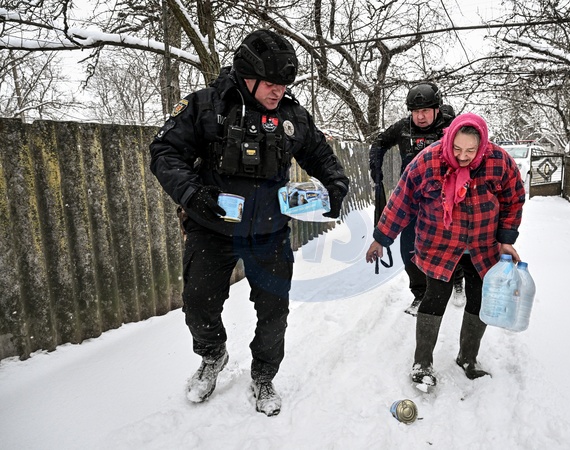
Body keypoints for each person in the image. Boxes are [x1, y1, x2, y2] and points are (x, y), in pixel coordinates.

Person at [149, 29, 349, 416]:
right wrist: (192, 194)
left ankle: (264, 375)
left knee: (274, 312)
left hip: (269, 233)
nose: (278, 91)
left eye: (284, 84)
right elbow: (164, 151)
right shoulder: (206, 106)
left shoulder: (292, 116)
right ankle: (213, 355)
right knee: (198, 304)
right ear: (247, 74)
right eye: (271, 83)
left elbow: (322, 157)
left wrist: (336, 184)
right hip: (212, 228)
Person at [365, 113, 525, 386]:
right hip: (439, 243)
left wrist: (506, 239)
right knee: (435, 297)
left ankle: (468, 358)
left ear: (482, 145)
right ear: (449, 140)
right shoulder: (428, 161)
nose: (462, 156)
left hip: (482, 246)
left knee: (479, 299)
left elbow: (514, 199)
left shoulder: (499, 161)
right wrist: (381, 238)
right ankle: (422, 363)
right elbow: (402, 200)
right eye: (457, 148)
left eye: (471, 151)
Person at [368, 82, 463, 316]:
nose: (420, 117)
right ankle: (420, 293)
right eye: (415, 111)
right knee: (409, 248)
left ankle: (457, 279)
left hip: (446, 199)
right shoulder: (403, 128)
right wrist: (376, 169)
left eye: (425, 111)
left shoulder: (452, 128)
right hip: (412, 198)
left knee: (453, 244)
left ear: (437, 109)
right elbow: (379, 143)